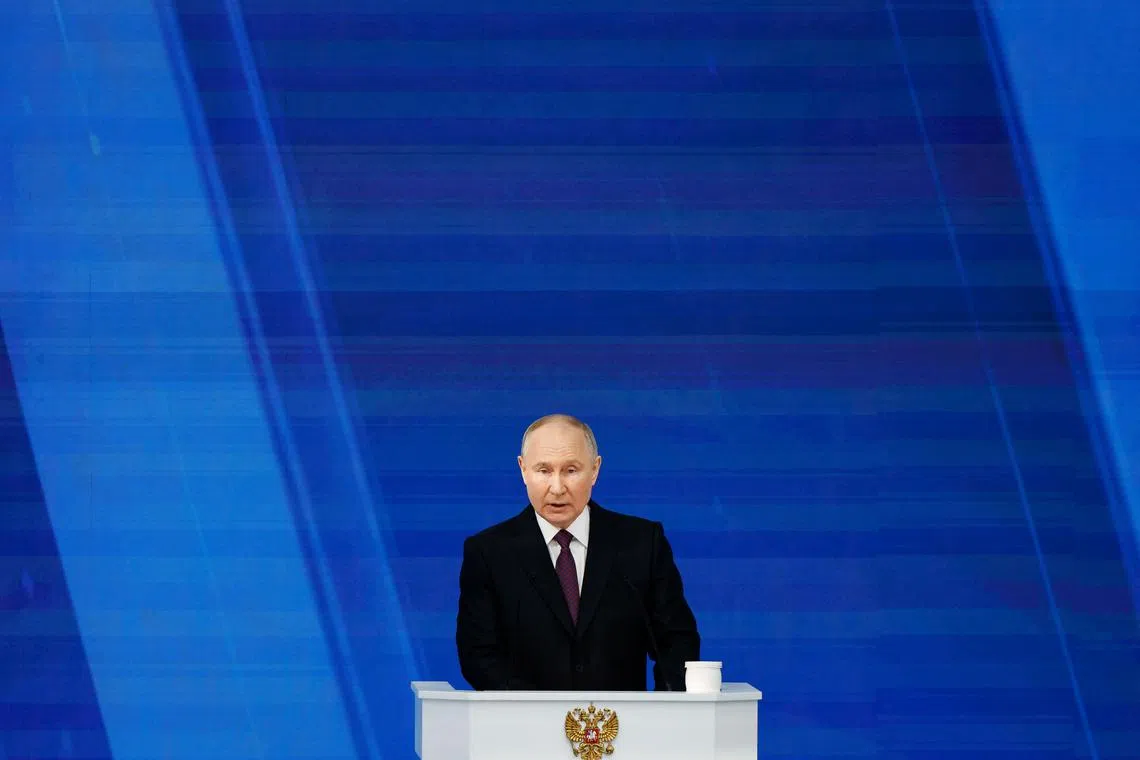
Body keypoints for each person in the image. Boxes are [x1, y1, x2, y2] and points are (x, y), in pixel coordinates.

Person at [456, 414, 700, 691]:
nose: (557, 488)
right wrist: (545, 715)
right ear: (523, 470)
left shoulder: (642, 544)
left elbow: (678, 641)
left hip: (623, 729)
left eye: (571, 470)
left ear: (595, 470)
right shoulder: (489, 553)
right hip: (526, 728)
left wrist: (663, 712)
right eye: (543, 471)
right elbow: (478, 657)